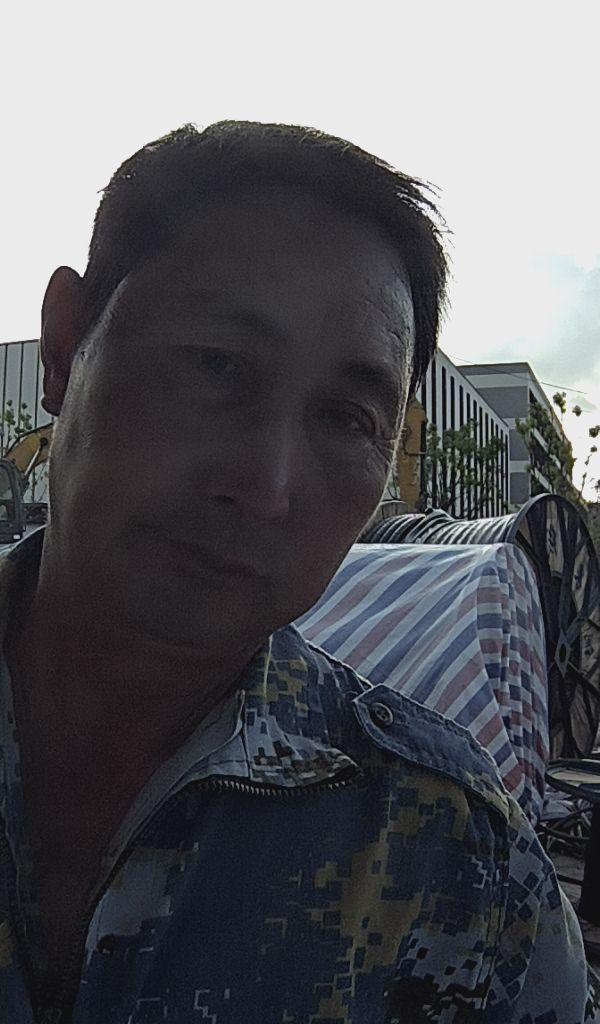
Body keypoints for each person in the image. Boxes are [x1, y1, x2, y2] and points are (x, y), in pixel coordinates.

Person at [0, 121, 596, 1024]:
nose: (267, 486)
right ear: (63, 346)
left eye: (346, 419)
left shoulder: (457, 860)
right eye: (219, 366)